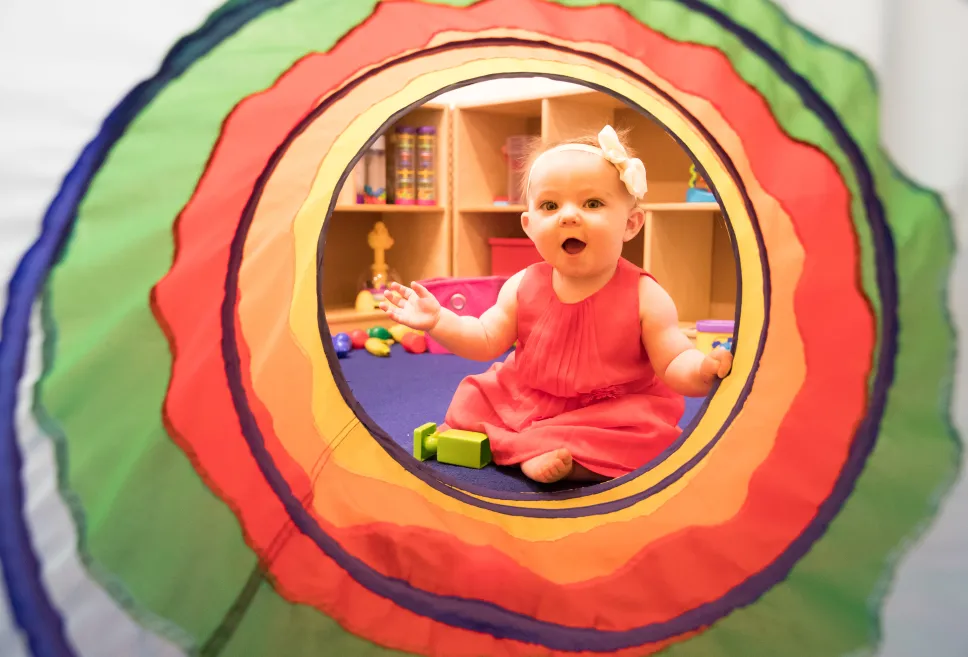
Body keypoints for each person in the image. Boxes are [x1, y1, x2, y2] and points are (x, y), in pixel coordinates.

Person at [380, 125, 732, 484]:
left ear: (630, 224)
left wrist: (702, 370)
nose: (568, 215)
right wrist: (439, 320)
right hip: (530, 396)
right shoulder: (522, 285)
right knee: (473, 398)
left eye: (592, 203)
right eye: (550, 205)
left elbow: (673, 359)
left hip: (610, 411)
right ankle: (537, 451)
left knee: (647, 437)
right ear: (530, 226)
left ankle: (539, 452)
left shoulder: (645, 295)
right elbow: (485, 337)